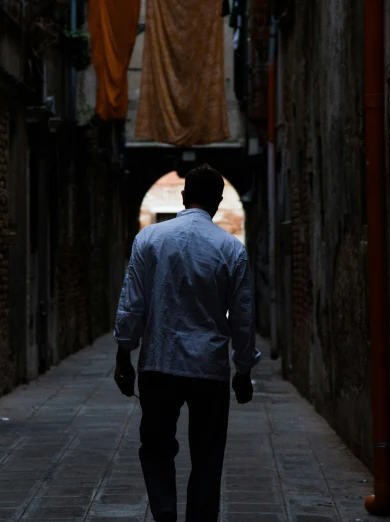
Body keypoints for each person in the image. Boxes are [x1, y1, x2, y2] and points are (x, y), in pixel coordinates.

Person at [113, 164, 261, 522]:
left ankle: (164, 509)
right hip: (208, 368)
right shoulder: (231, 249)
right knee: (208, 452)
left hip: (159, 363)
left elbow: (132, 302)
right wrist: (243, 369)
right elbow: (242, 318)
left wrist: (123, 355)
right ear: (219, 201)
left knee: (156, 445)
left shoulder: (149, 239)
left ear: (183, 196)